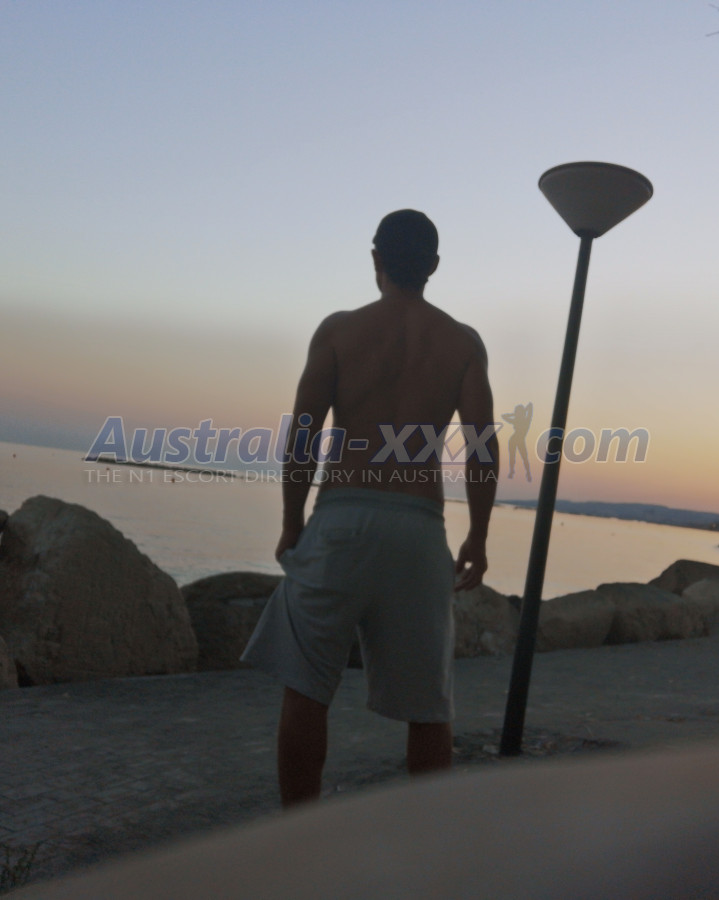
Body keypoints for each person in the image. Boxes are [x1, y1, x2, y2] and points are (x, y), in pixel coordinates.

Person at [241, 209, 499, 807]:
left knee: (306, 688)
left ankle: (300, 833)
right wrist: (478, 536)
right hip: (418, 529)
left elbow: (304, 435)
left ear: (376, 259)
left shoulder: (339, 331)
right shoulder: (462, 343)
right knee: (429, 707)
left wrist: (292, 522)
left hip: (341, 521)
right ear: (433, 266)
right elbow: (482, 450)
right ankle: (423, 840)